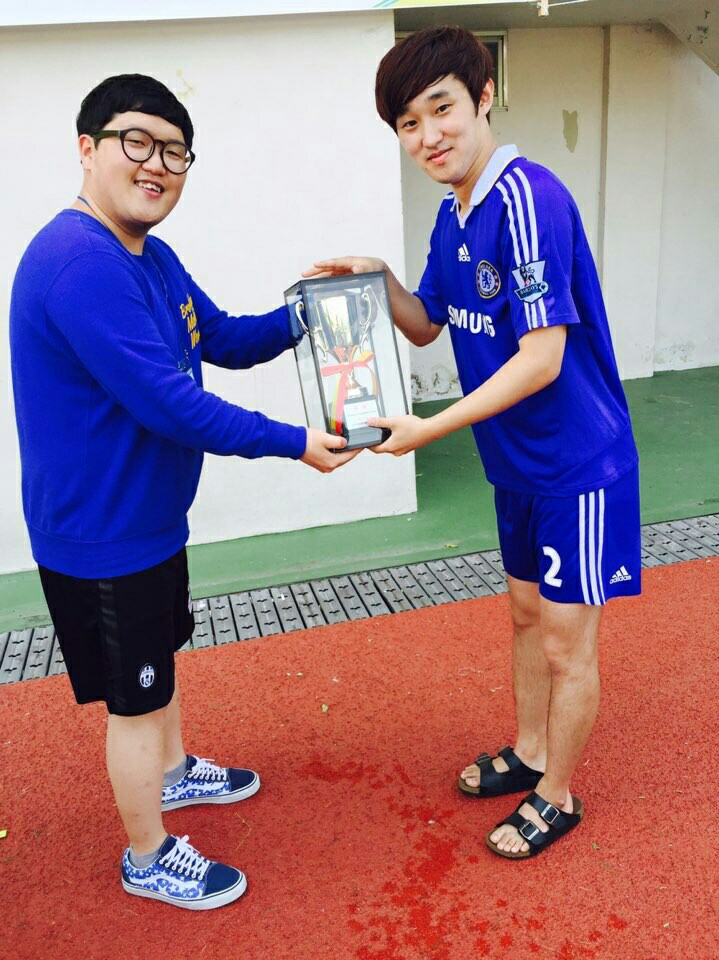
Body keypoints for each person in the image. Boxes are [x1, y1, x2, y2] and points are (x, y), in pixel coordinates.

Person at [10, 73, 357, 910]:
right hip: (102, 535)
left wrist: (310, 312)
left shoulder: (149, 257)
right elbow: (169, 403)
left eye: (174, 151)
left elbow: (223, 338)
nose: (156, 164)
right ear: (87, 148)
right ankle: (147, 855)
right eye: (136, 142)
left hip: (149, 521)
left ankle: (172, 772)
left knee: (156, 668)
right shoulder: (79, 264)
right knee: (134, 700)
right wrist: (295, 443)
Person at [306, 27, 641, 860]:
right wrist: (378, 279)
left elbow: (542, 356)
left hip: (576, 465)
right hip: (515, 466)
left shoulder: (526, 198)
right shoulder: (452, 213)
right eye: (408, 123)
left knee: (566, 641)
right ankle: (528, 752)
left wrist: (429, 429)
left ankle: (556, 795)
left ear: (482, 96)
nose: (428, 135)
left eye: (441, 109)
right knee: (524, 615)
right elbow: (427, 322)